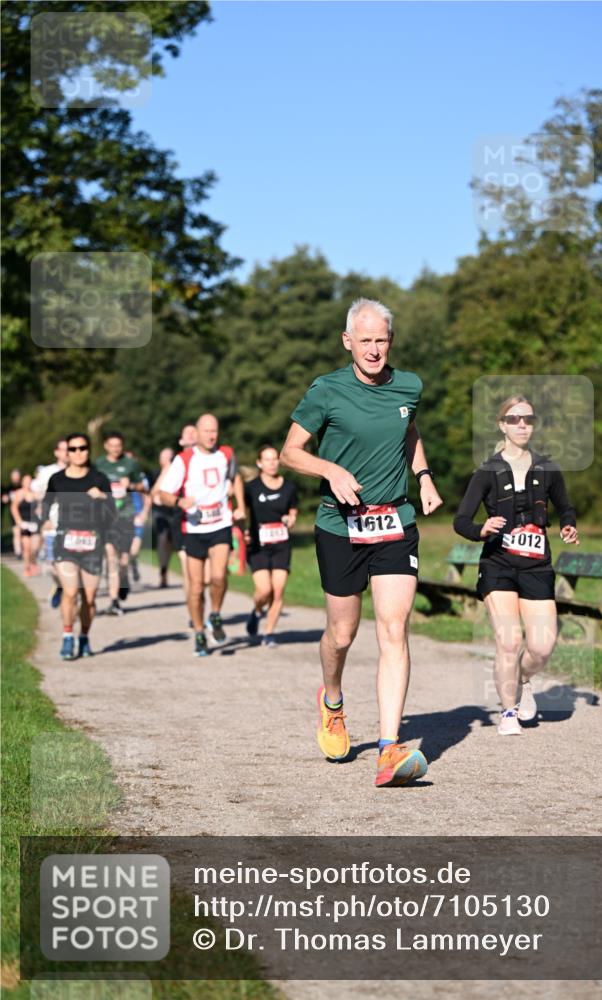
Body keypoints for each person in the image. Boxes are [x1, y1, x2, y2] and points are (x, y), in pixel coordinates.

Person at [280, 297, 443, 788]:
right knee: (343, 634)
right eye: (365, 340)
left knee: (393, 630)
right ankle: (332, 702)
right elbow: (290, 452)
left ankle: (388, 750)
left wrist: (425, 476)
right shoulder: (326, 390)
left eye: (382, 340)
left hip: (394, 521)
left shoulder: (409, 385)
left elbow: (408, 431)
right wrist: (329, 469)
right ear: (348, 341)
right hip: (340, 525)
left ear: (391, 342)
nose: (374, 349)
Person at [453, 395, 579, 735]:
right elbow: (461, 520)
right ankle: (508, 711)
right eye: (514, 419)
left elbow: (566, 507)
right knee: (509, 641)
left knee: (541, 646)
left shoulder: (547, 468)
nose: (522, 425)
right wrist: (481, 529)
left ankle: (523, 680)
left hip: (537, 565)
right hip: (498, 564)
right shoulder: (487, 471)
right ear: (502, 425)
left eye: (528, 419)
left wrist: (568, 524)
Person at [160, 413, 246, 656]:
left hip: (220, 523)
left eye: (215, 431)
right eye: (206, 431)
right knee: (196, 587)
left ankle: (216, 614)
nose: (211, 435)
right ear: (196, 434)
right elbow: (165, 494)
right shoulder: (184, 460)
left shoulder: (226, 454)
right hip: (194, 528)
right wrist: (179, 501)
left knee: (218, 577)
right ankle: (199, 632)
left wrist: (239, 505)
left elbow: (235, 477)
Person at [42, 434, 116, 659]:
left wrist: (102, 497)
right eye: (72, 449)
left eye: (82, 448)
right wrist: (45, 520)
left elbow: (113, 512)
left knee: (90, 598)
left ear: (89, 450)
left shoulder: (100, 478)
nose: (77, 453)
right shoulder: (57, 479)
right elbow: (46, 504)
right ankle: (67, 637)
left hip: (93, 542)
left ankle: (84, 636)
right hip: (66, 541)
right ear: (67, 453)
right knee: (71, 592)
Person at [244, 445, 299, 647]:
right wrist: (242, 531)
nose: (272, 463)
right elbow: (241, 511)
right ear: (259, 463)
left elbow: (293, 510)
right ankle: (257, 611)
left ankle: (269, 633)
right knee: (264, 590)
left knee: (278, 590)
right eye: (267, 459)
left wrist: (291, 518)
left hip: (281, 544)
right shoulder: (251, 488)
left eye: (275, 459)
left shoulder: (289, 487)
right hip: (258, 545)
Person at [95, 431, 146, 615]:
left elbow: (142, 486)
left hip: (126, 516)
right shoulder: (99, 464)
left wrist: (131, 485)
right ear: (106, 446)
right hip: (106, 517)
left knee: (124, 559)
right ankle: (113, 600)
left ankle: (123, 582)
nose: (116, 449)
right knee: (111, 558)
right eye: (112, 445)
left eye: (119, 445)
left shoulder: (130, 464)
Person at [32, 439, 68, 607]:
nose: (67, 453)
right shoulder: (47, 472)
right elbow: (39, 496)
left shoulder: (79, 472)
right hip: (51, 524)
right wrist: (44, 518)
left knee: (70, 563)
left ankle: (68, 591)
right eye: (64, 450)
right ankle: (61, 585)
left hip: (72, 524)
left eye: (70, 449)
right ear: (56, 452)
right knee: (53, 564)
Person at [150, 447, 178, 588]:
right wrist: (164, 472)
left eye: (169, 458)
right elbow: (152, 492)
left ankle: (167, 568)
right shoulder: (155, 473)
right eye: (164, 458)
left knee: (172, 542)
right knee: (162, 538)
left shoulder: (178, 473)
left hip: (174, 511)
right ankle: (163, 571)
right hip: (160, 512)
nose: (166, 461)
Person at [10, 474, 41, 576]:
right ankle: (27, 568)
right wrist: (19, 521)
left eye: (29, 481)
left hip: (34, 523)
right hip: (24, 523)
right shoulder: (19, 493)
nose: (28, 483)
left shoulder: (35, 494)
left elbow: (41, 507)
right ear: (22, 482)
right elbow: (13, 508)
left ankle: (33, 563)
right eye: (26, 481)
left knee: (34, 548)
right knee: (26, 547)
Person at [2, 468, 23, 558]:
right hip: (13, 513)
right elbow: (5, 500)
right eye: (14, 476)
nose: (15, 478)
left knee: (23, 533)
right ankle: (18, 552)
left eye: (17, 475)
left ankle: (24, 550)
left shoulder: (23, 486)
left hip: (24, 512)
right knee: (16, 532)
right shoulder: (8, 488)